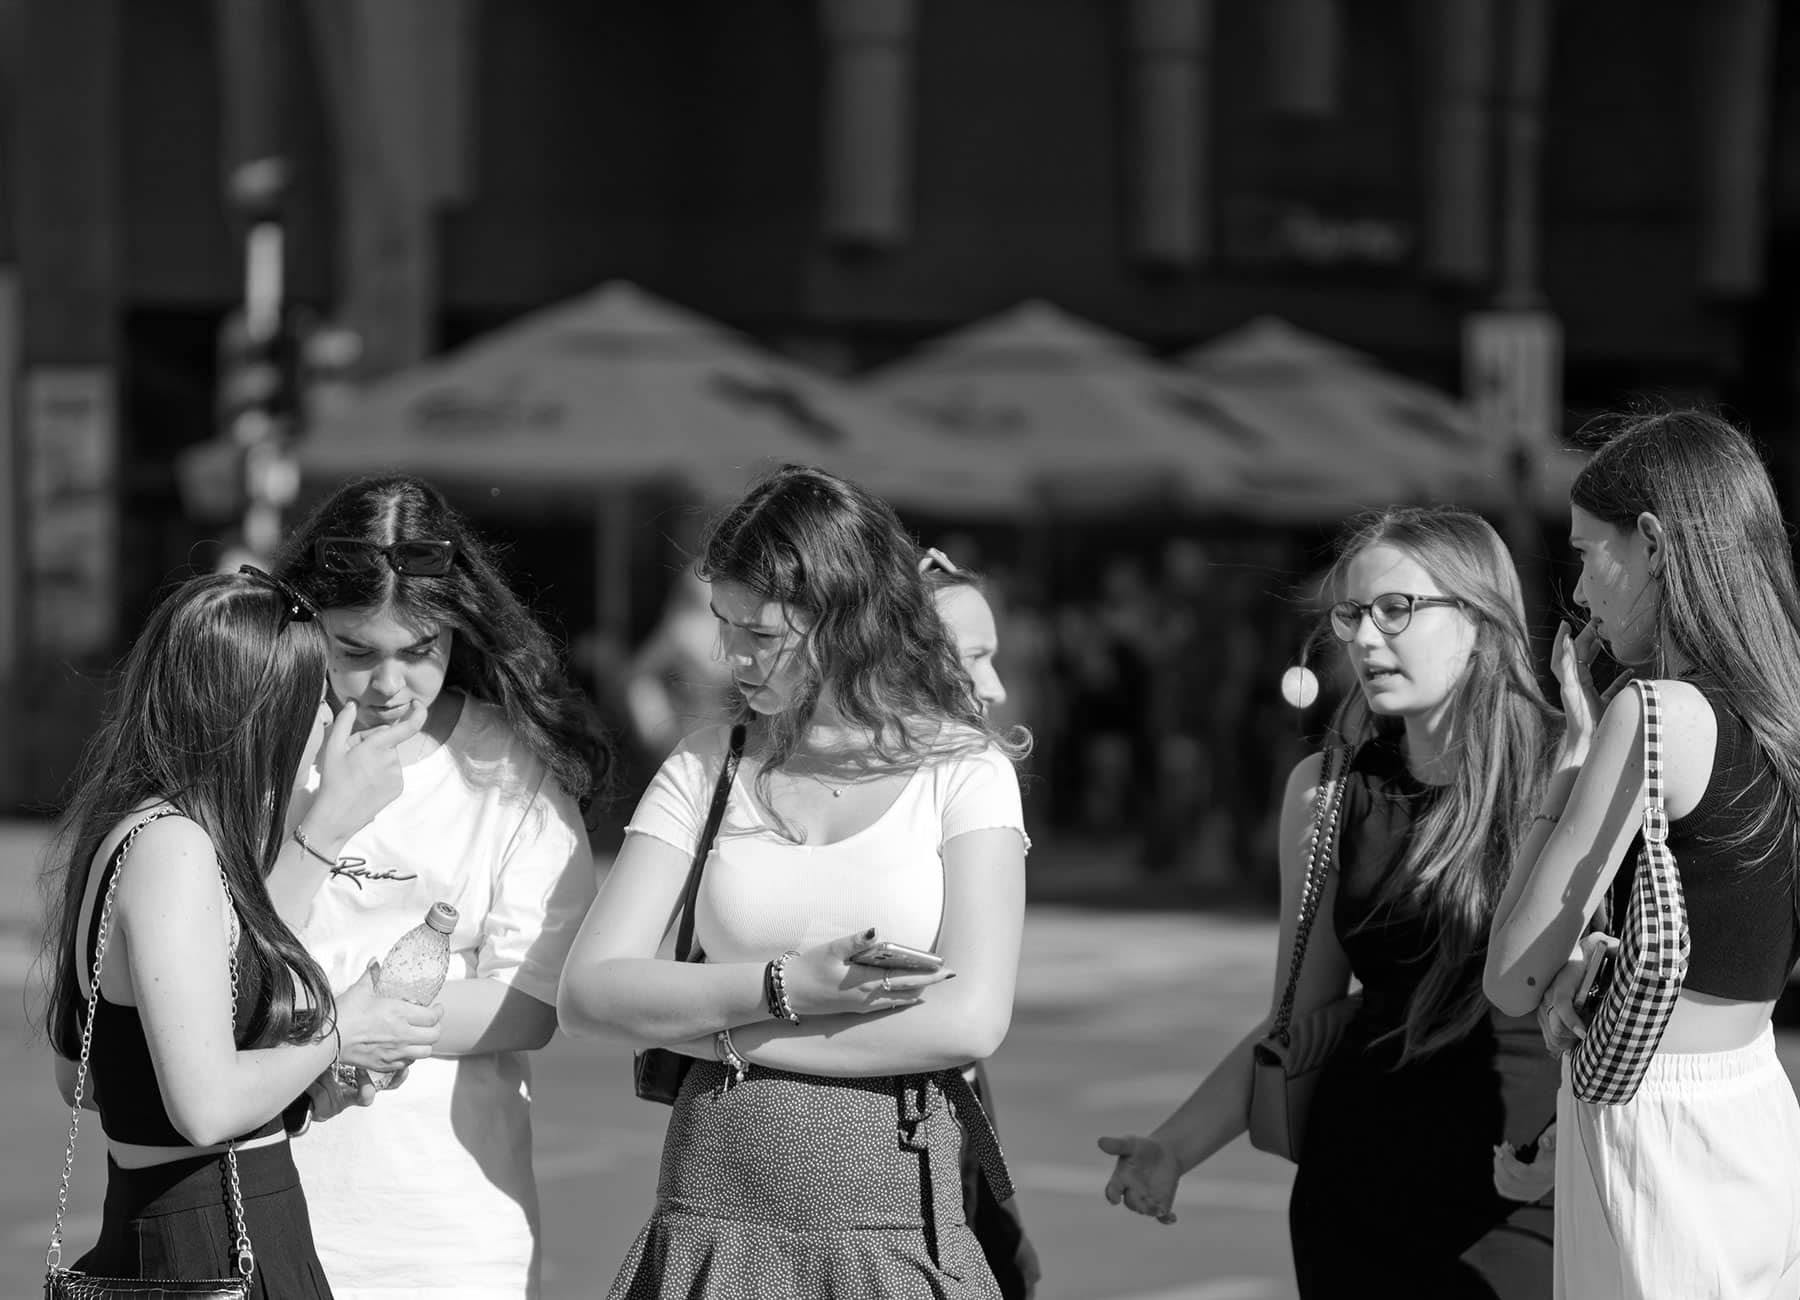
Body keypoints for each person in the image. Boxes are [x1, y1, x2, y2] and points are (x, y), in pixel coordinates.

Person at [557, 464, 1030, 1300]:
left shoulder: (965, 769)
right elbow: (588, 992)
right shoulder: (706, 762)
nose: (729, 654)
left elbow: (969, 1019)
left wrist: (724, 1035)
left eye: (762, 633)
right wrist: (785, 986)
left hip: (892, 1225)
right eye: (723, 622)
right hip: (708, 1218)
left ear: (848, 620)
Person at [1100, 506, 1562, 1298]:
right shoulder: (1327, 791)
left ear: (1479, 620)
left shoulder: (1567, 774)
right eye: (1353, 615)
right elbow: (1295, 1015)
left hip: (1524, 1187)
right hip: (1358, 1191)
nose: (1366, 639)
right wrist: (1173, 1147)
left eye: (1396, 610)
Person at [39, 567, 442, 1298]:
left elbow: (91, 1077)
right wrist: (343, 1030)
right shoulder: (175, 849)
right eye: (313, 702)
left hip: (184, 1227)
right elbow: (205, 1108)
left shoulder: (139, 830)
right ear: (261, 715)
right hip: (213, 1239)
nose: (326, 724)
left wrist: (297, 1088)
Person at [268, 473, 612, 1300]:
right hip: (260, 1207)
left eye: (420, 650)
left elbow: (529, 1002)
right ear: (305, 624)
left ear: (460, 627)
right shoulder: (258, 753)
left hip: (448, 1233)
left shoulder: (512, 765)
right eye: (355, 652)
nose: (389, 685)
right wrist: (326, 820)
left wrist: (337, 1026)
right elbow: (220, 966)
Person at [1485, 410, 1800, 1297]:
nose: (1581, 591)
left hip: (1650, 1134)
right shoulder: (1780, 715)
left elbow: (1509, 974)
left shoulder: (1652, 716)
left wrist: (1575, 749)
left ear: (1655, 546)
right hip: (1756, 1115)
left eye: (1590, 554)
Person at [920, 547, 1041, 1300]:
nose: (994, 688)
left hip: (944, 1115)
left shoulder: (976, 777)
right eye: (974, 658)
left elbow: (970, 1025)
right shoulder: (764, 776)